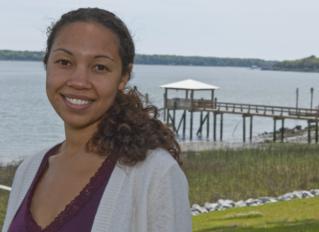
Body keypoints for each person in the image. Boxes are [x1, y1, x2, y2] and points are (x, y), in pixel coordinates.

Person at [2, 7, 191, 232]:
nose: (79, 81)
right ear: (46, 64)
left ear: (123, 77)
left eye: (99, 67)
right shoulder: (29, 169)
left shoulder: (155, 174)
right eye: (64, 62)